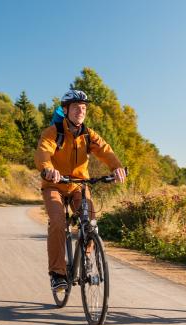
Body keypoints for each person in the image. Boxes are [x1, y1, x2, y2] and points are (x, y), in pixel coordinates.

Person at [35, 89, 126, 291]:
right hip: (54, 185)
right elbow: (43, 152)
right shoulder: (53, 133)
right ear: (66, 110)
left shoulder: (88, 134)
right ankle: (57, 274)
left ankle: (85, 257)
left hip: (78, 185)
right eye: (76, 107)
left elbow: (105, 150)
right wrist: (48, 169)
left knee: (91, 222)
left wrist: (116, 168)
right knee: (58, 222)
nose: (81, 111)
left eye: (84, 108)